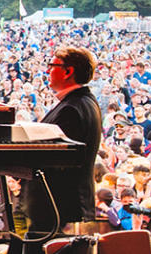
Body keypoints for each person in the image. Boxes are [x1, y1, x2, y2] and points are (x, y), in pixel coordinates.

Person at [21, 47, 102, 233]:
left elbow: (54, 159)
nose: (48, 71)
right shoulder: (83, 102)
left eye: (52, 66)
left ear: (68, 71)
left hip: (59, 207)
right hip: (62, 206)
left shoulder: (71, 109)